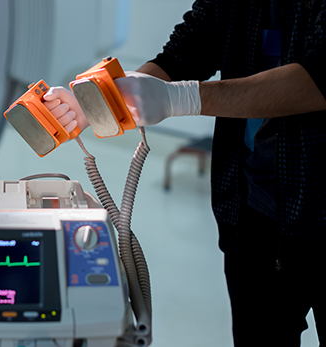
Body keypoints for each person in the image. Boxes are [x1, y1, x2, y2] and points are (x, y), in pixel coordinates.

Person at [43, 1, 326, 346]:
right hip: (252, 214)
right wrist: (99, 102)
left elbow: (318, 78)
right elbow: (185, 51)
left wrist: (185, 99)